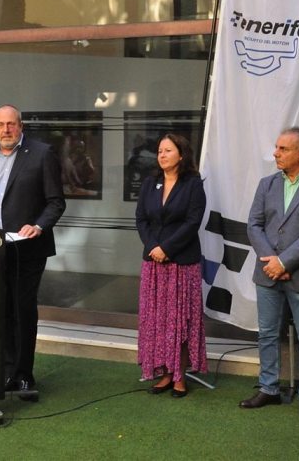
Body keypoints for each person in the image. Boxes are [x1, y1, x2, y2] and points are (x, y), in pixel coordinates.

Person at [240, 127, 299, 422]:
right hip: (267, 272)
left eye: (283, 148)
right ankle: (268, 388)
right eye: (277, 147)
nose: (276, 153)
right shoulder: (266, 184)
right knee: (268, 334)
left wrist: (283, 263)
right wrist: (272, 262)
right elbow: (254, 225)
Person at [0, 104, 65, 396]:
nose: (6, 130)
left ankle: (23, 374)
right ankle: (6, 369)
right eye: (0, 125)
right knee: (0, 310)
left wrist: (39, 225)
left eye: (11, 124)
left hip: (27, 249)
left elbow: (56, 202)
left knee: (22, 310)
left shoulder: (42, 153)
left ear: (21, 126)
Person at [135, 133, 208, 398]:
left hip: (181, 263)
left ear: (181, 154)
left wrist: (167, 248)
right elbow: (141, 219)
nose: (162, 155)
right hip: (153, 263)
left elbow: (192, 222)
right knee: (157, 320)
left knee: (180, 321)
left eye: (168, 150)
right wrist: (153, 246)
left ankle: (180, 376)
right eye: (159, 151)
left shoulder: (193, 184)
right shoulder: (150, 183)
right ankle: (165, 373)